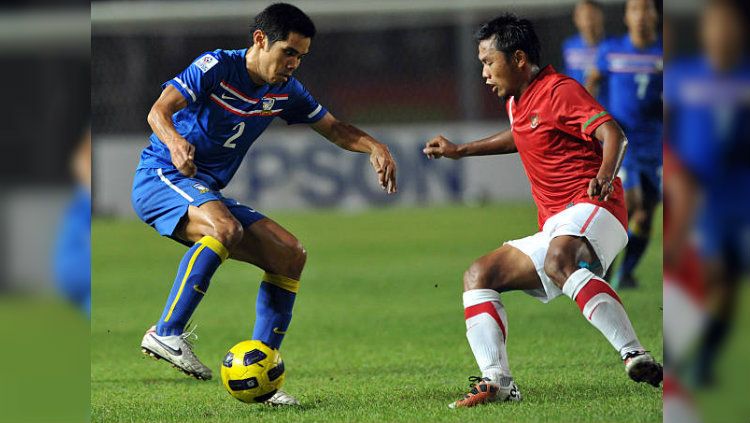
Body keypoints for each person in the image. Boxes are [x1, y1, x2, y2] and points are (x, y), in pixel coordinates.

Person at [131, 3, 397, 406]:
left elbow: (335, 128)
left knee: (290, 255)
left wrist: (374, 146)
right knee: (225, 229)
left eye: (301, 56)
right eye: (288, 52)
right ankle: (166, 331)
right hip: (162, 176)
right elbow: (158, 111)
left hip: (205, 188)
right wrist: (174, 142)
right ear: (260, 40)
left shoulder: (285, 91)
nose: (294, 63)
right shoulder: (216, 66)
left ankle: (262, 373)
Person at [422, 13, 662, 408]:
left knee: (558, 258)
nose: (483, 72)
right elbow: (522, 134)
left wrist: (604, 175)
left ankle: (635, 354)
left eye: (488, 62)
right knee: (479, 275)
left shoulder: (559, 90)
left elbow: (613, 134)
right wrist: (462, 150)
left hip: (595, 207)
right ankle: (498, 381)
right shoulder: (518, 100)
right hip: (556, 222)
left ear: (518, 59)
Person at [586, 0, 663, 289]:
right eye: (635, 9)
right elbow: (591, 83)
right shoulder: (611, 50)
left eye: (646, 9)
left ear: (655, 15)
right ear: (627, 16)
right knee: (630, 202)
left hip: (656, 145)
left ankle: (625, 272)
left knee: (645, 215)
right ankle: (604, 268)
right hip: (624, 142)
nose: (641, 15)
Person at [562, 0, 608, 103]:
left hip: (606, 110)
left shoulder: (612, 46)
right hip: (577, 108)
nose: (589, 22)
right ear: (576, 19)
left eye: (592, 16)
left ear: (601, 16)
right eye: (585, 16)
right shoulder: (569, 46)